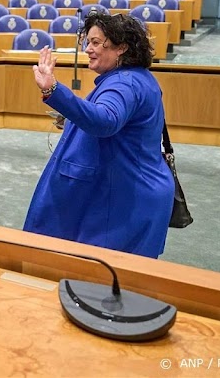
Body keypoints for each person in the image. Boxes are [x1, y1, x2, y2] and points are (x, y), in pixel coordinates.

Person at [24, 13, 173, 258]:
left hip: (124, 198)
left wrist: (53, 89)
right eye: (88, 42)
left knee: (104, 281)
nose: (88, 49)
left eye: (96, 43)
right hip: (134, 190)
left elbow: (105, 121)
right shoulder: (137, 77)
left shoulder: (124, 83)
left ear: (122, 47)